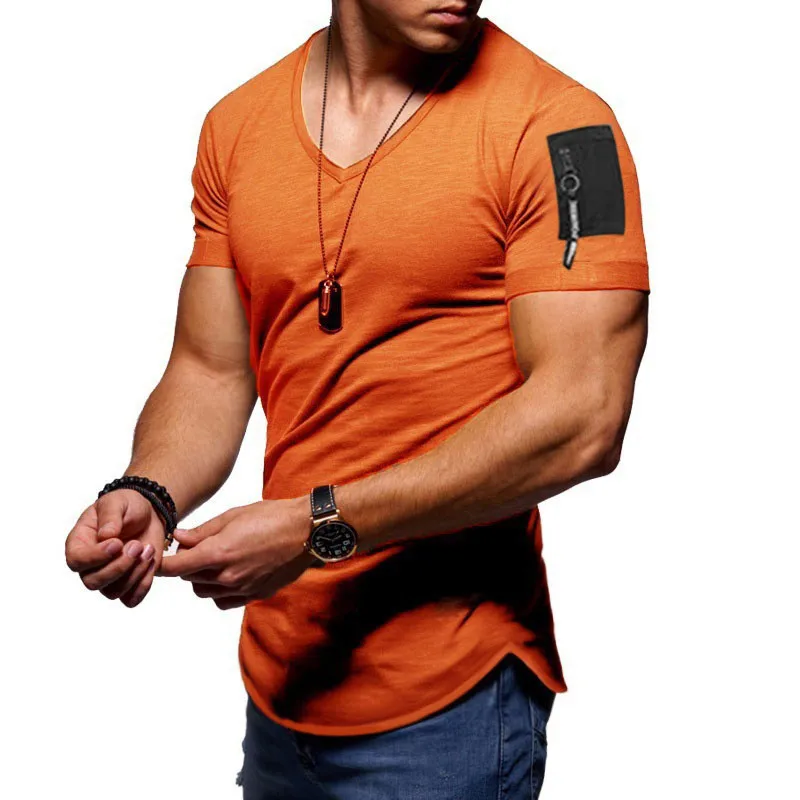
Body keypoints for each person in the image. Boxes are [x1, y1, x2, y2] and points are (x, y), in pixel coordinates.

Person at [64, 1, 649, 797]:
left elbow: (585, 416)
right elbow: (210, 368)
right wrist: (149, 490)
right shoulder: (237, 125)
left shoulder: (566, 131)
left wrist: (317, 529)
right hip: (284, 681)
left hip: (450, 700)